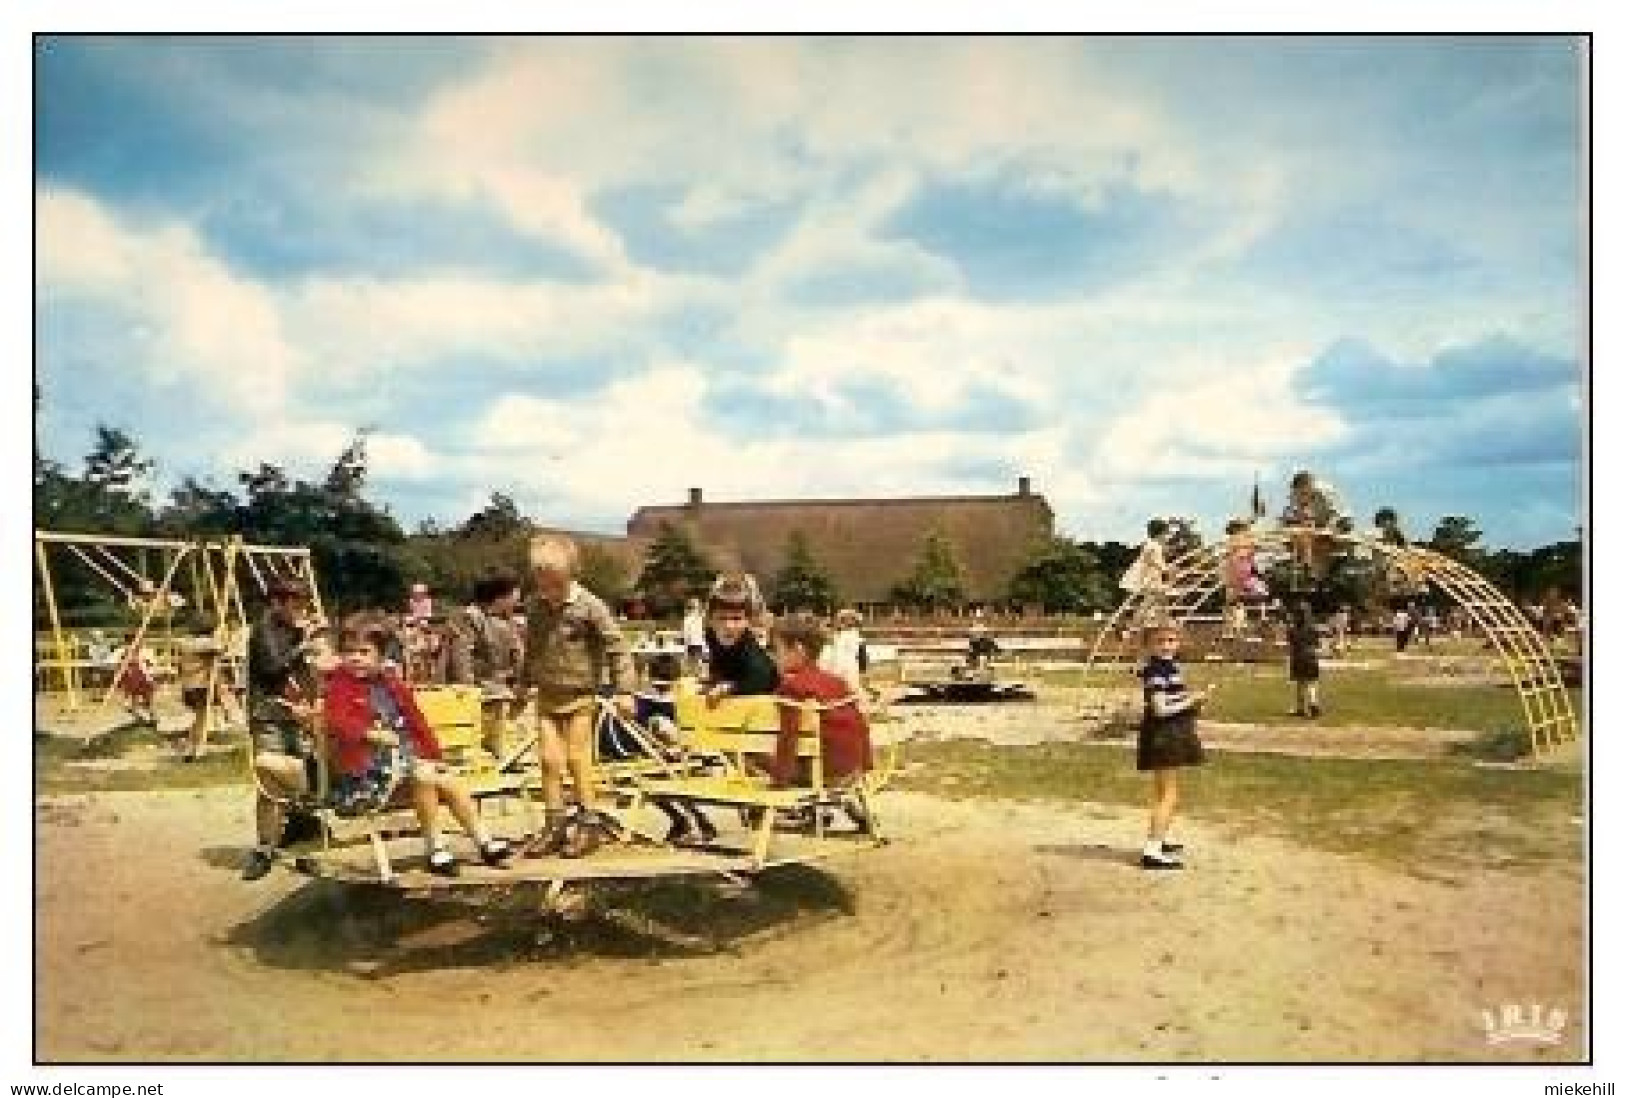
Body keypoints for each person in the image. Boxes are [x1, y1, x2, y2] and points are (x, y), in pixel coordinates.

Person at [321, 623, 513, 876]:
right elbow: (336, 721)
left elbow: (417, 722)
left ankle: (483, 840)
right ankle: (435, 847)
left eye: (364, 652)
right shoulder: (340, 686)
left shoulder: (391, 684)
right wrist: (369, 733)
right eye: (349, 652)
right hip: (366, 775)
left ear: (380, 655)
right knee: (424, 774)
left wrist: (436, 756)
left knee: (441, 775)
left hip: (406, 764)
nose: (356, 658)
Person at [516, 535, 638, 859]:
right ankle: (554, 824)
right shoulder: (535, 607)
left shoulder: (590, 606)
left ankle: (589, 822)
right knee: (548, 760)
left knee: (576, 757)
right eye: (542, 585)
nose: (548, 593)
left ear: (570, 576)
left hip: (581, 695)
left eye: (555, 586)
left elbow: (617, 647)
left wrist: (624, 690)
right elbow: (533, 648)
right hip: (547, 695)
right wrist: (522, 683)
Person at [241, 579, 327, 881]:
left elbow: (303, 671)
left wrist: (316, 696)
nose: (301, 609)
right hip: (269, 714)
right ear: (278, 602)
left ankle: (300, 844)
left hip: (297, 714)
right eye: (296, 604)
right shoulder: (263, 628)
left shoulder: (294, 630)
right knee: (270, 783)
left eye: (304, 603)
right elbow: (272, 668)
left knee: (303, 779)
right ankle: (265, 848)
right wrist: (303, 642)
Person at [768, 615, 875, 823]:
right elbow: (861, 723)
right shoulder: (837, 683)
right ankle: (845, 807)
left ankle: (794, 811)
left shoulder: (791, 688)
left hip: (820, 774)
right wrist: (865, 766)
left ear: (798, 650)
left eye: (777, 649)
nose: (773, 656)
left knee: (754, 755)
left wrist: (779, 783)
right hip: (851, 771)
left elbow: (788, 739)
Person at [1136, 626, 1212, 871]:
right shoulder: (1158, 670)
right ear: (1150, 645)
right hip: (1165, 735)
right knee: (1169, 795)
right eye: (1160, 641)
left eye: (1171, 640)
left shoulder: (1168, 668)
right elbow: (1160, 709)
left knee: (1164, 792)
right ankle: (1153, 850)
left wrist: (1195, 700)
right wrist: (1192, 700)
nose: (1167, 645)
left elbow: (1171, 700)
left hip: (1167, 733)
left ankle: (1162, 838)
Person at [444, 574, 524, 760]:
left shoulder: (507, 621)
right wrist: (469, 692)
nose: (517, 598)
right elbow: (461, 658)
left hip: (502, 692)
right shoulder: (469, 618)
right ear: (500, 596)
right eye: (514, 594)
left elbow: (518, 657)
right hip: (479, 695)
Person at [703, 574, 778, 705]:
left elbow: (762, 679)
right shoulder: (711, 636)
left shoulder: (750, 651)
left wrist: (729, 688)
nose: (728, 626)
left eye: (736, 619)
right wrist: (714, 680)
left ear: (748, 621)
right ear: (710, 620)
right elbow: (718, 662)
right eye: (721, 618)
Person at [1280, 470, 1346, 584]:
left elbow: (1337, 517)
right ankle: (1306, 569)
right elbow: (1289, 514)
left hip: (1339, 522)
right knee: (1297, 538)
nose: (1300, 497)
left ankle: (1320, 575)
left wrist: (1327, 529)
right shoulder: (1295, 495)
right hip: (1314, 524)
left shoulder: (1326, 493)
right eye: (1298, 493)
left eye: (1304, 493)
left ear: (1310, 487)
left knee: (1321, 540)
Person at [175, 629, 224, 762]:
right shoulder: (204, 643)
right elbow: (220, 648)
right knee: (201, 717)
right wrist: (219, 637)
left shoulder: (185, 644)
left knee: (199, 717)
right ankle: (197, 747)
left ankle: (192, 746)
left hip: (188, 685)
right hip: (200, 684)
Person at [1121, 519, 1171, 625]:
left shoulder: (1151, 544)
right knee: (1155, 597)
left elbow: (1154, 561)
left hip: (1149, 575)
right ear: (1160, 533)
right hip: (1147, 576)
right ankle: (1139, 621)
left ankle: (1152, 619)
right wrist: (1166, 570)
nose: (1166, 537)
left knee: (1155, 598)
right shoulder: (1155, 546)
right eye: (1165, 534)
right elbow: (1156, 562)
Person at [820, 608, 871, 699]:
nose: (846, 623)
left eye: (849, 619)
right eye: (843, 620)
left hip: (846, 675)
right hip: (836, 676)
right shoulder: (834, 638)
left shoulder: (854, 638)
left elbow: (862, 660)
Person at [1287, 601, 1323, 719]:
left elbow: (1291, 645)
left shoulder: (1292, 630)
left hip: (1298, 657)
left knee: (1300, 683)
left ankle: (1301, 708)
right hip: (1311, 656)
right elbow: (1318, 644)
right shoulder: (1313, 628)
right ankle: (1313, 704)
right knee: (1311, 683)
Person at [1222, 519, 1268, 605]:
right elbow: (1249, 548)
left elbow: (1252, 549)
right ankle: (1242, 593)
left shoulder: (1238, 539)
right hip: (1240, 567)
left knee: (1252, 581)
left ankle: (1242, 593)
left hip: (1242, 567)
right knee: (1246, 580)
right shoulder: (1237, 540)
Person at [680, 597, 708, 678]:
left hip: (698, 644)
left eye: (698, 606)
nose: (697, 608)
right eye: (696, 607)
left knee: (697, 665)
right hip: (693, 644)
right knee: (694, 665)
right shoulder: (690, 619)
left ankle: (697, 676)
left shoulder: (701, 618)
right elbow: (686, 635)